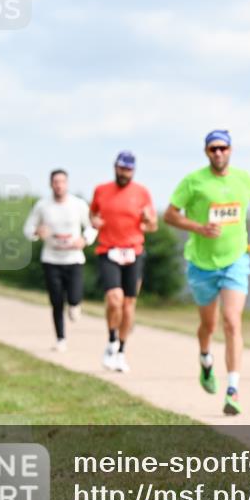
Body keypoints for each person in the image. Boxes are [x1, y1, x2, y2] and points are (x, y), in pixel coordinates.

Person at [163, 129, 250, 416]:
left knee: (231, 321)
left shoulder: (243, 178)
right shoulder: (193, 181)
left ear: (231, 150)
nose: (218, 153)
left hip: (235, 260)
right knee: (208, 326)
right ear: (206, 152)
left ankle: (233, 389)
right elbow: (170, 214)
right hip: (202, 263)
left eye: (223, 148)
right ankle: (205, 359)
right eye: (213, 149)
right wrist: (198, 228)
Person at [90, 151, 157, 372]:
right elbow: (93, 216)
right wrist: (95, 221)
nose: (124, 172)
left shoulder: (142, 193)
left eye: (128, 169)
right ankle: (111, 341)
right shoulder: (101, 190)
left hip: (133, 251)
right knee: (114, 299)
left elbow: (152, 225)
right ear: (115, 167)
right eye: (121, 168)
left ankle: (121, 351)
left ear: (133, 171)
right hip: (108, 249)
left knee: (128, 306)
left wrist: (147, 221)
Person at [23, 169, 97, 352]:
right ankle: (60, 338)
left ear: (67, 184)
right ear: (51, 184)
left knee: (73, 296)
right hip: (51, 258)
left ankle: (75, 304)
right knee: (56, 300)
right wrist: (36, 232)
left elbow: (92, 227)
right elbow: (28, 228)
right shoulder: (42, 206)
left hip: (74, 259)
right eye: (55, 182)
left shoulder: (78, 205)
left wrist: (85, 240)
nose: (59, 185)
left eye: (62, 181)